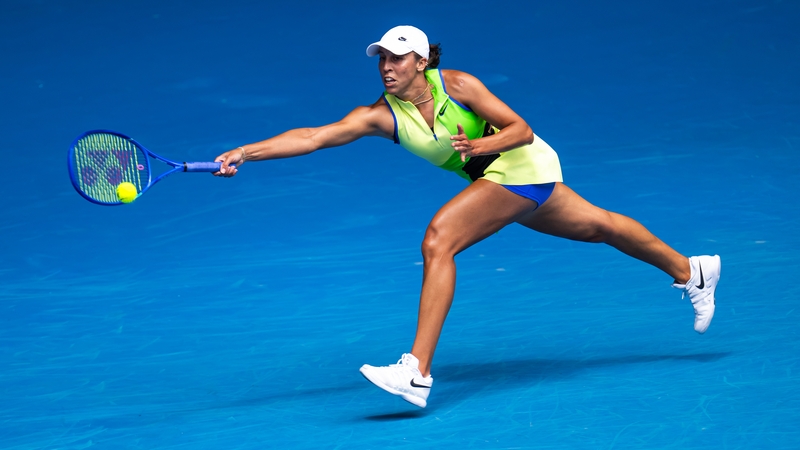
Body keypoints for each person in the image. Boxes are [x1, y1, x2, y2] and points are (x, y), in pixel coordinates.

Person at [213, 25, 721, 408]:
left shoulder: (458, 84)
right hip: (502, 181)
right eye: (381, 60)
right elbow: (312, 136)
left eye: (397, 58)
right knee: (600, 226)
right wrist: (247, 151)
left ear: (420, 60)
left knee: (439, 240)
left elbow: (521, 129)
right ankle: (692, 270)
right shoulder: (380, 115)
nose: (386, 67)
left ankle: (416, 371)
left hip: (523, 165)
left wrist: (482, 143)